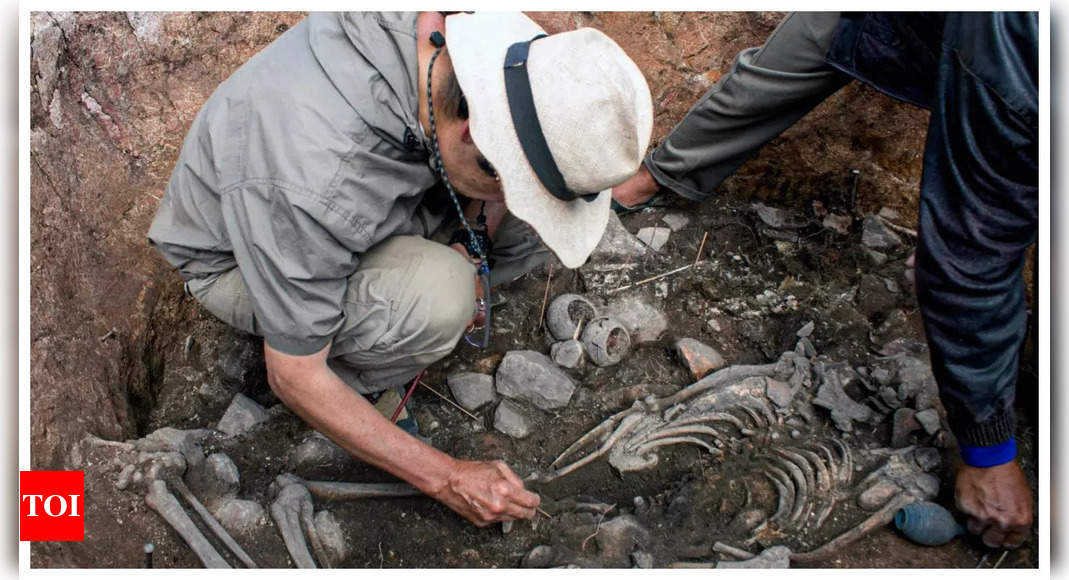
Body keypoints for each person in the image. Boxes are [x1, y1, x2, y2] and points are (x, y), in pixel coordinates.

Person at [149, 11, 652, 526]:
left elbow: (503, 177)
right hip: (238, 257)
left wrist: (470, 244)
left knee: (524, 233)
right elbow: (294, 374)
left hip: (362, 198)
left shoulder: (499, 53)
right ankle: (362, 378)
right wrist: (449, 477)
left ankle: (409, 290)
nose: (512, 196)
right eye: (507, 181)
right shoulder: (317, 177)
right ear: (475, 135)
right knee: (441, 299)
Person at [612, 12, 1038, 550]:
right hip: (970, 41)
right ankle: (656, 178)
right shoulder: (1022, 51)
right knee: (814, 41)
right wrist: (989, 453)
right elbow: (972, 253)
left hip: (986, 54)